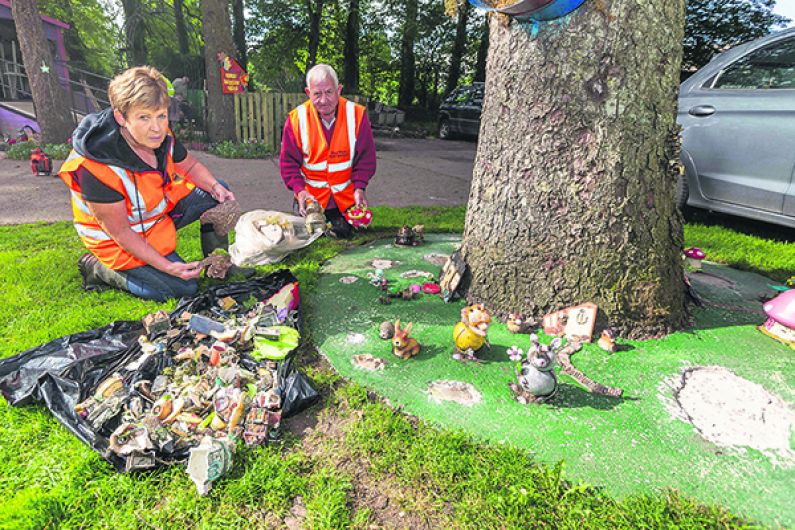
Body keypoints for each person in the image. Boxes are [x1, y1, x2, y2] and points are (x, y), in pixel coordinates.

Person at [59, 66, 251, 302]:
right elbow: (120, 232)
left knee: (216, 190)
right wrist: (168, 268)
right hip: (116, 241)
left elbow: (189, 167)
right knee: (181, 288)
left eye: (161, 115)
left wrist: (214, 187)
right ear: (121, 117)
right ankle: (97, 268)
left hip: (154, 221)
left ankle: (218, 263)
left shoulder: (158, 135)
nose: (157, 127)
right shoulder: (95, 165)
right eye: (144, 117)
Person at [280, 64, 376, 238]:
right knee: (307, 237)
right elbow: (288, 164)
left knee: (343, 234)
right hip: (311, 200)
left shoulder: (357, 115)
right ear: (308, 93)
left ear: (338, 90)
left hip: (346, 199)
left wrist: (360, 188)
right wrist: (299, 191)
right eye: (317, 94)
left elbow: (366, 160)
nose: (323, 100)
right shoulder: (296, 119)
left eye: (329, 92)